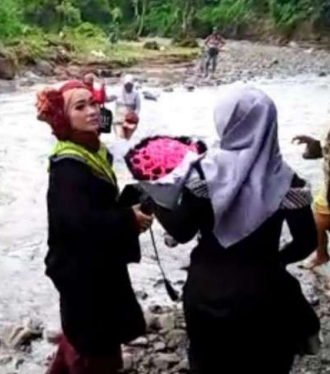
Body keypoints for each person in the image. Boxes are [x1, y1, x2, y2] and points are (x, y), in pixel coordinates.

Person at [152, 87, 320, 374]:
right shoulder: (290, 181)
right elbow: (306, 242)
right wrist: (276, 261)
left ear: (226, 122)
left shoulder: (203, 172)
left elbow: (181, 231)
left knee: (208, 362)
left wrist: (154, 200)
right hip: (266, 293)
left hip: (207, 292)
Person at [36, 80, 152, 374]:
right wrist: (128, 219)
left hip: (91, 267)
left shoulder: (89, 149)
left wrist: (125, 142)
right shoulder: (67, 167)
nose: (92, 111)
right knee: (97, 349)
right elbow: (78, 223)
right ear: (63, 118)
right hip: (83, 273)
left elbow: (100, 188)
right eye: (80, 106)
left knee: (81, 337)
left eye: (93, 103)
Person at [293, 132, 330, 268]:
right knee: (318, 220)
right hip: (328, 189)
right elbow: (325, 150)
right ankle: (321, 254)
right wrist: (314, 144)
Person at [107, 74, 141, 139]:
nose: (128, 86)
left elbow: (138, 108)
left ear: (133, 85)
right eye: (127, 85)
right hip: (118, 120)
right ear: (124, 84)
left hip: (130, 121)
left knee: (127, 140)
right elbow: (108, 99)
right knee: (119, 138)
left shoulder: (136, 94)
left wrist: (134, 115)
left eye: (130, 85)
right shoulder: (118, 92)